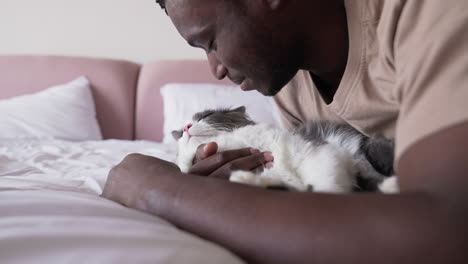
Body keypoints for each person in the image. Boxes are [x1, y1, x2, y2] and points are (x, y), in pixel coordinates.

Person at [102, 0, 468, 263]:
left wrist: (162, 190)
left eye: (211, 42)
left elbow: (448, 233)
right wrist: (242, 191)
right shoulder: (293, 85)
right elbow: (332, 208)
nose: (214, 69)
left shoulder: (426, 11)